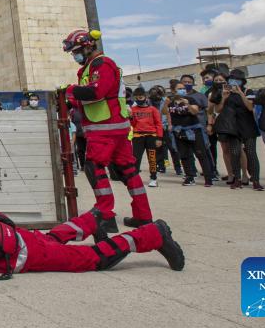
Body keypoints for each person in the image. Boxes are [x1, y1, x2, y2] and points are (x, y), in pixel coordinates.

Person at [0, 167, 183, 282]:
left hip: (24, 253)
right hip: (18, 239)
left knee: (91, 259)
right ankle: (94, 219)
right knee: (53, 238)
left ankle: (152, 234)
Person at [62, 29, 151, 233]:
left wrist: (68, 90)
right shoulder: (91, 67)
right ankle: (143, 215)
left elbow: (97, 91)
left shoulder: (103, 64)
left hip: (105, 129)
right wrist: (71, 100)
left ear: (88, 46)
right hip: (112, 128)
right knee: (127, 171)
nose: (75, 56)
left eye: (76, 51)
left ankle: (105, 214)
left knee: (95, 168)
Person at [209, 69, 261, 190]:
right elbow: (217, 110)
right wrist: (224, 97)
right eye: (232, 79)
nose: (234, 82)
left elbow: (249, 107)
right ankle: (236, 178)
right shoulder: (224, 92)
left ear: (242, 81)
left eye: (237, 80)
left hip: (247, 125)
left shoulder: (248, 91)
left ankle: (256, 180)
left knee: (251, 152)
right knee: (234, 152)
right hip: (232, 126)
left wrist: (240, 93)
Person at [168, 83, 214, 186]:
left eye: (183, 88)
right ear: (174, 90)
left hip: (193, 129)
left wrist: (187, 104)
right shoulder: (171, 103)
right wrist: (170, 124)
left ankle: (208, 178)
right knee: (184, 155)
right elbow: (167, 113)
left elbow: (195, 112)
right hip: (179, 131)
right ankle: (190, 177)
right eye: (179, 88)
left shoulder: (191, 99)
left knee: (201, 154)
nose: (182, 90)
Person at [180, 74, 216, 181]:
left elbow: (208, 111)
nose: (187, 84)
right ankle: (191, 173)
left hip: (199, 127)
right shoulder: (176, 98)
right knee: (186, 152)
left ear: (193, 83)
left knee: (204, 151)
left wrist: (209, 125)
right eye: (184, 82)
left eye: (189, 82)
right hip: (183, 128)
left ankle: (211, 172)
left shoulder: (200, 96)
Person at [128, 88, 162, 187]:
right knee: (136, 158)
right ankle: (135, 178)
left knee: (152, 157)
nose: (139, 99)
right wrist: (130, 117)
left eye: (141, 97)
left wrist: (159, 138)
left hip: (151, 136)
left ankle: (153, 178)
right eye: (137, 97)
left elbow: (158, 124)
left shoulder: (153, 109)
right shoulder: (132, 110)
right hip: (137, 136)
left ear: (145, 97)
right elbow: (132, 124)